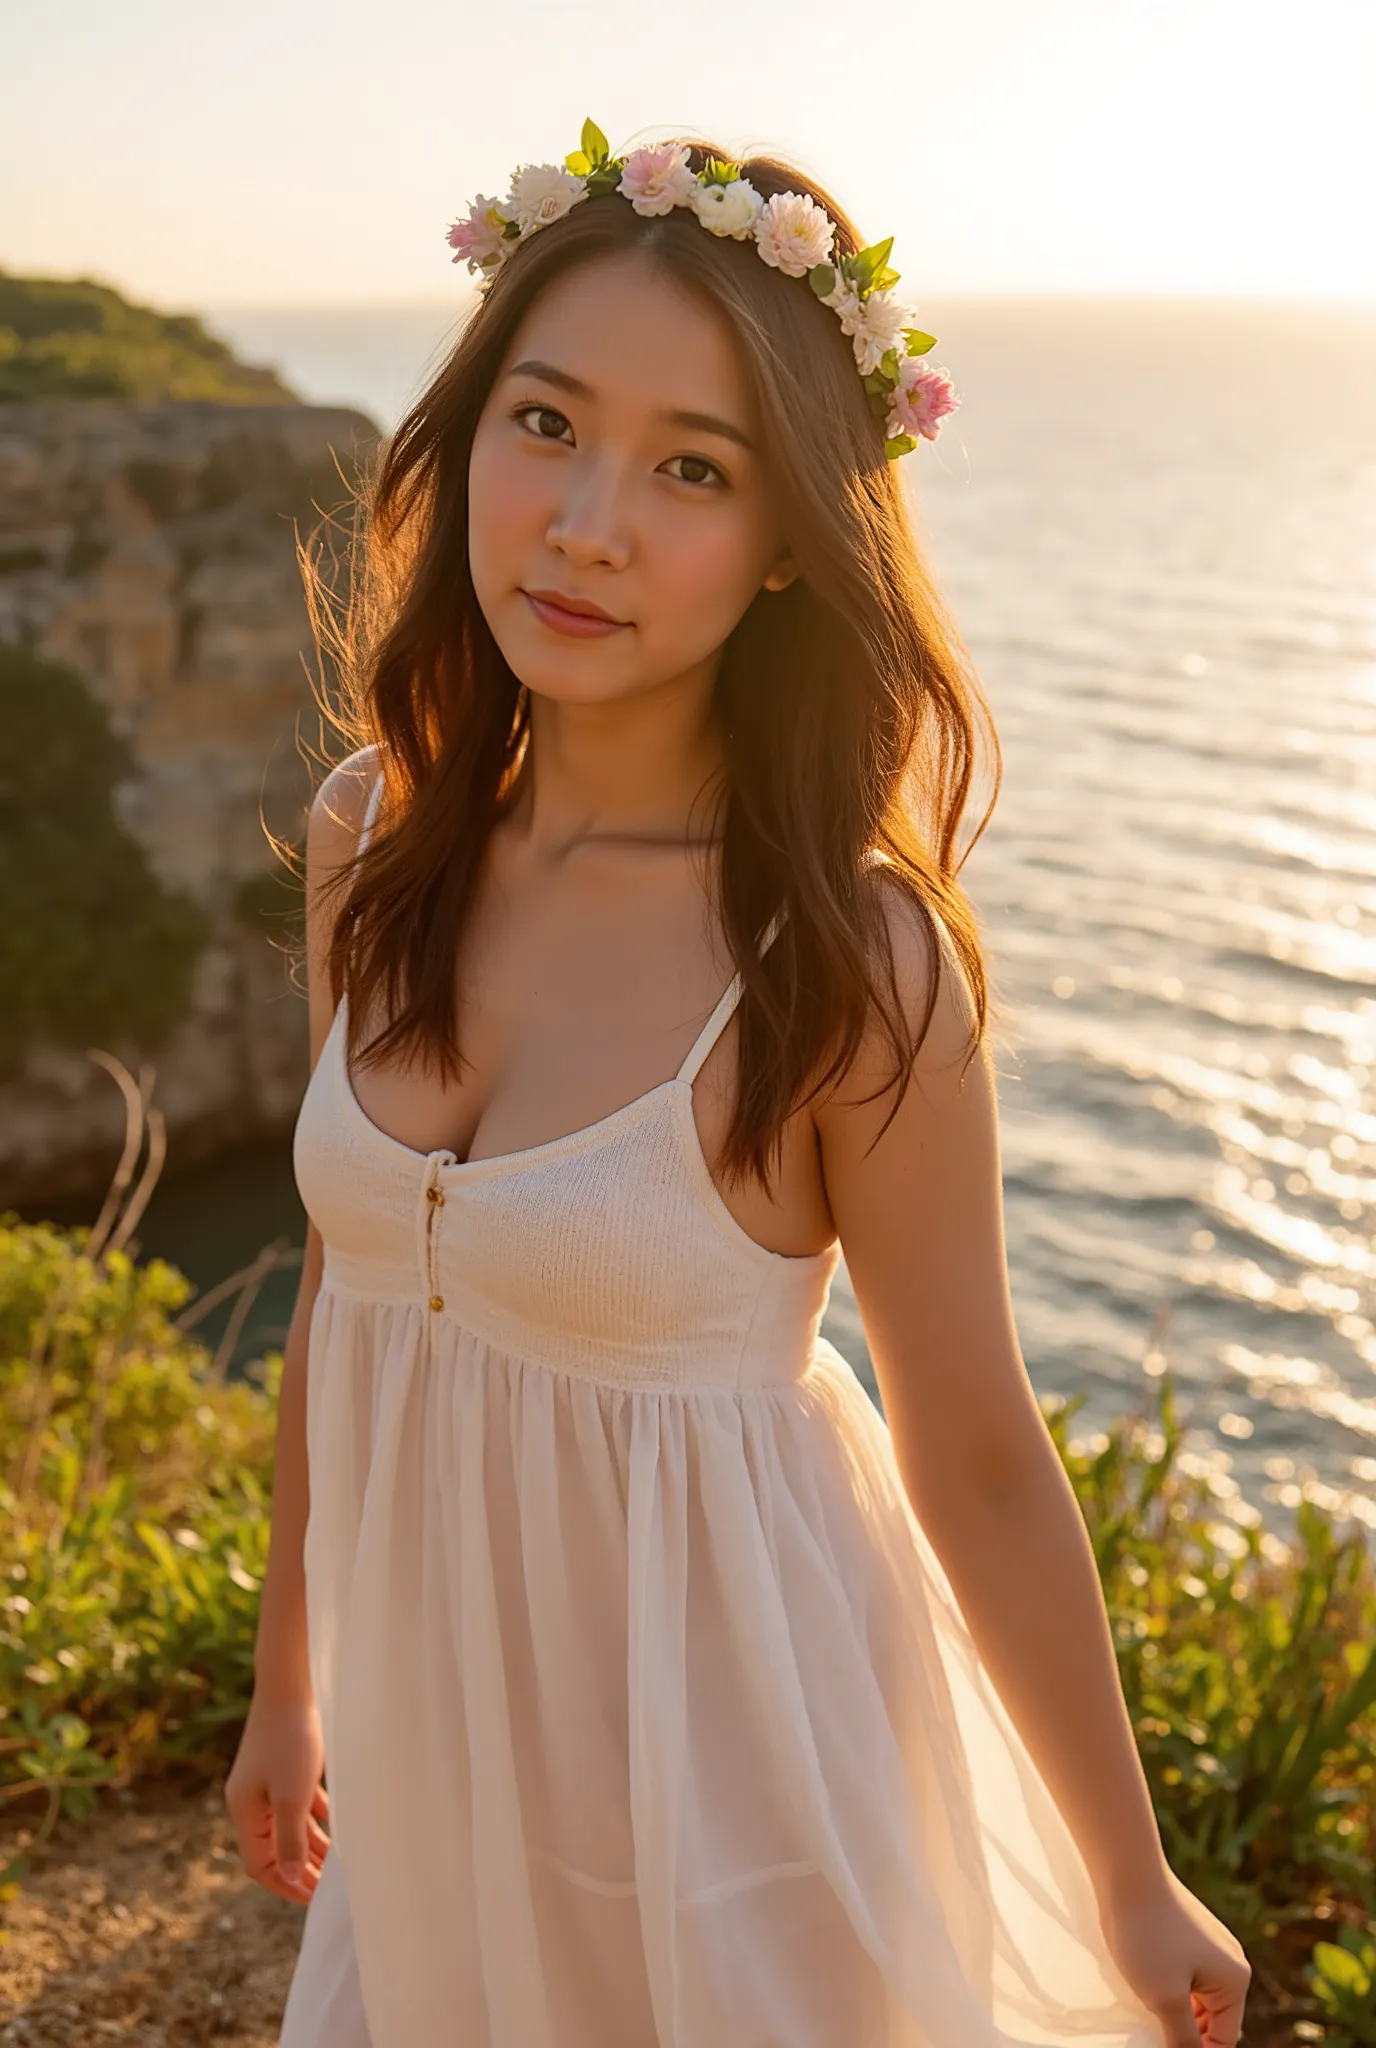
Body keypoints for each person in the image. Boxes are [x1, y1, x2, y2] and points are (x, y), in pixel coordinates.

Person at [225, 123, 1251, 2048]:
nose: (587, 522)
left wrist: (1128, 1870)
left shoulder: (847, 965)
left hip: (741, 1781)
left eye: (692, 467)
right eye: (545, 424)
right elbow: (349, 1287)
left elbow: (976, 1449)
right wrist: (294, 1678)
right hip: (447, 1765)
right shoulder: (375, 839)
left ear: (792, 541)